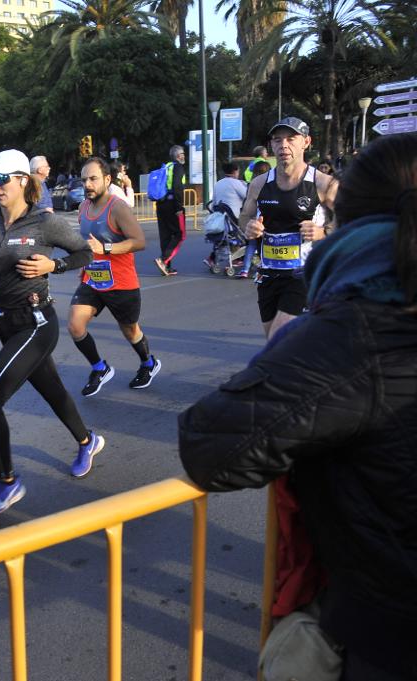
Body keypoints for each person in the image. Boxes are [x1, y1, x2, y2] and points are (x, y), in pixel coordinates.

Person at [178, 132, 417, 681]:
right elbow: (243, 225)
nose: (283, 146)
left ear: (347, 224)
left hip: (390, 631)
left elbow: (209, 444)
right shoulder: (261, 185)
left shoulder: (355, 333)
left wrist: (296, 355)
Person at [0, 149, 104, 514]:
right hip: (7, 323)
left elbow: (85, 253)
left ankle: (8, 482)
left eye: (1, 179)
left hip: (38, 323)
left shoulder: (43, 222)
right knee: (53, 391)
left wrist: (52, 265)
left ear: (23, 181)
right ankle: (88, 441)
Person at [240, 117, 338, 338]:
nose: (283, 145)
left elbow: (353, 217)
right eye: (277, 140)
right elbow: (244, 218)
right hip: (268, 273)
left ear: (306, 142)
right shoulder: (259, 184)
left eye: (291, 139)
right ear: (271, 145)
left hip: (304, 273)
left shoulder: (323, 183)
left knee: (279, 337)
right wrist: (250, 228)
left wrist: (324, 232)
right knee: (272, 338)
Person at [68, 157, 158, 396]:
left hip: (122, 282)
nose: (87, 184)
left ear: (107, 180)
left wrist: (105, 249)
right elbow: (88, 244)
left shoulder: (118, 207)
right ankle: (100, 368)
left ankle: (149, 363)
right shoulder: (83, 208)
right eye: (84, 179)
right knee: (75, 324)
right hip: (93, 279)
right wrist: (84, 262)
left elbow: (139, 242)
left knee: (130, 331)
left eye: (93, 179)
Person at [153, 144, 187, 276]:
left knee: (165, 235)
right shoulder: (178, 167)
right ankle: (163, 260)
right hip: (173, 204)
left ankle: (166, 266)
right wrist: (179, 207)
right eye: (183, 154)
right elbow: (177, 187)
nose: (184, 156)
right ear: (179, 156)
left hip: (161, 204)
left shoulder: (165, 167)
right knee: (180, 235)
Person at [236, 160, 270, 278]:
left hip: (252, 220)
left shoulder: (251, 184)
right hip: (264, 219)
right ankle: (260, 269)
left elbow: (248, 203)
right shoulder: (270, 183)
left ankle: (245, 269)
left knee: (251, 246)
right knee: (263, 247)